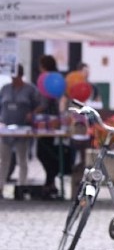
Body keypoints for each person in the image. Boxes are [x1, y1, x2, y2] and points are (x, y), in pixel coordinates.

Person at [35, 55, 73, 200]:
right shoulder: (57, 78)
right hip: (54, 119)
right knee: (48, 150)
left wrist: (33, 112)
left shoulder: (45, 79)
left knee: (43, 152)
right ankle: (50, 182)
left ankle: (50, 181)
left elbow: (44, 103)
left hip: (47, 120)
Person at [0, 65, 41, 197]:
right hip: (6, 129)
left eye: (16, 76)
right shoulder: (5, 89)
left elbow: (39, 105)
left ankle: (21, 187)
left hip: (23, 128)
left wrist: (32, 113)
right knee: (3, 160)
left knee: (22, 159)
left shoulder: (30, 89)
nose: (13, 79)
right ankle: (0, 186)